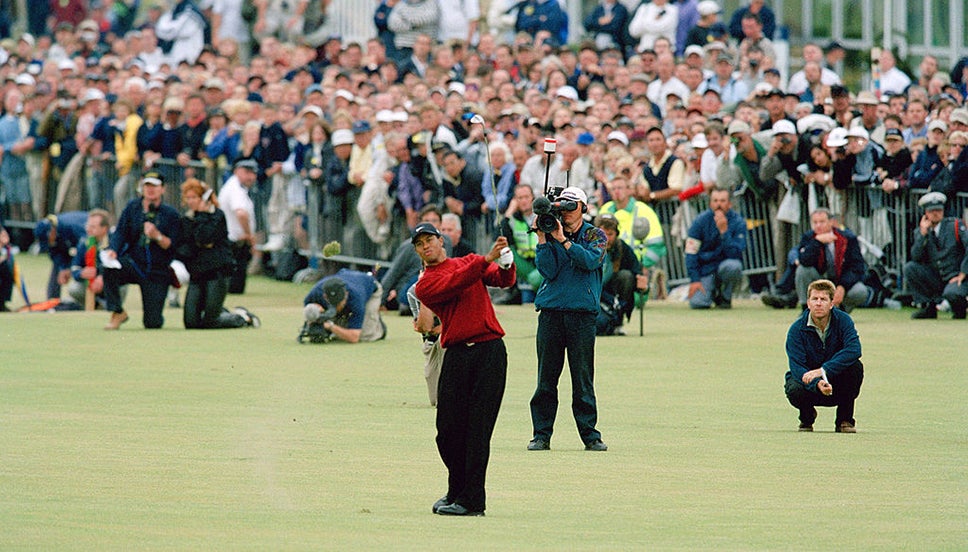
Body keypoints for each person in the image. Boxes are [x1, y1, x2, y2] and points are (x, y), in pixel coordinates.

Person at [412, 222, 516, 516]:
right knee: (447, 431)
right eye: (420, 244)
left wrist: (506, 263)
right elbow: (454, 282)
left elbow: (503, 281)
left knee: (477, 432)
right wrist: (486, 258)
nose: (426, 246)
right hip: (457, 354)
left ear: (441, 241)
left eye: (429, 240)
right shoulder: (425, 284)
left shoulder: (469, 262)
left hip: (489, 351)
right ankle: (457, 489)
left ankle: (473, 501)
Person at [528, 186, 609, 453]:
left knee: (582, 378)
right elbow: (548, 271)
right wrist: (543, 240)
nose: (566, 211)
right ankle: (541, 435)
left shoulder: (595, 234)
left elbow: (590, 261)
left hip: (582, 314)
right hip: (551, 312)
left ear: (583, 208)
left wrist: (563, 240)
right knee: (546, 378)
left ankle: (590, 436)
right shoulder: (551, 231)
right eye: (562, 206)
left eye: (571, 206)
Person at [175, 179, 259, 330]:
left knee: (211, 321)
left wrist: (202, 215)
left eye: (194, 197)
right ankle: (222, 311)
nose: (191, 201)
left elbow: (204, 238)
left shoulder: (217, 216)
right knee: (191, 322)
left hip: (217, 273)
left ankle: (242, 317)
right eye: (188, 198)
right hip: (198, 273)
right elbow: (186, 247)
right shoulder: (187, 219)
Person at [102, 172, 181, 330]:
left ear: (162, 189)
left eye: (155, 186)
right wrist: (113, 250)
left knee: (153, 323)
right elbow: (121, 232)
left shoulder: (171, 214)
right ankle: (117, 311)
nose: (150, 190)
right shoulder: (133, 207)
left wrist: (157, 236)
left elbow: (173, 245)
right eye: (147, 185)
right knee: (110, 269)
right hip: (134, 263)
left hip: (158, 270)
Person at [784, 278, 864, 433]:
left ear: (831, 303)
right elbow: (796, 366)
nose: (818, 303)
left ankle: (845, 420)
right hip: (810, 384)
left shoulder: (844, 320)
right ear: (808, 303)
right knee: (794, 388)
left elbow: (854, 349)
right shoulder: (796, 329)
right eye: (815, 299)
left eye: (823, 299)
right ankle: (807, 417)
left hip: (837, 382)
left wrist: (823, 371)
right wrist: (817, 383)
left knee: (855, 367)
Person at [903, 191, 968, 320]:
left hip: (956, 276)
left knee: (952, 293)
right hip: (937, 276)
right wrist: (923, 235)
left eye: (938, 210)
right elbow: (915, 256)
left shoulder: (955, 225)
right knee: (910, 268)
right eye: (931, 211)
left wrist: (964, 272)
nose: (935, 213)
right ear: (925, 213)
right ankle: (928, 307)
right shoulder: (922, 231)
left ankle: (959, 309)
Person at [793, 208, 868, 313]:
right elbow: (804, 261)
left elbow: (857, 267)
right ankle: (807, 309)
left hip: (840, 280)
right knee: (802, 270)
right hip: (820, 280)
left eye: (822, 222)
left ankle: (839, 312)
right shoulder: (808, 237)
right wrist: (817, 242)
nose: (818, 225)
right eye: (815, 222)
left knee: (860, 291)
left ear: (831, 222)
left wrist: (842, 286)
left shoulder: (848, 238)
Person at [685, 187, 747, 309]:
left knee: (734, 266)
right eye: (715, 201)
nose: (718, 204)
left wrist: (724, 232)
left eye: (722, 201)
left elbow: (736, 253)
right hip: (706, 269)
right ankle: (712, 293)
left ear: (729, 204)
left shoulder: (738, 222)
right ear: (710, 203)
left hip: (725, 266)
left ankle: (725, 297)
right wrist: (695, 279)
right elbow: (691, 253)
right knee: (698, 303)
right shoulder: (699, 222)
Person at [596, 214, 649, 335]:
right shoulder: (585, 247)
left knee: (626, 276)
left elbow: (638, 275)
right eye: (603, 234)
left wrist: (645, 287)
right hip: (589, 294)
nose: (606, 239)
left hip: (611, 297)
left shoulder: (623, 249)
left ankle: (618, 320)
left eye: (610, 234)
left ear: (616, 234)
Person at [303, 268, 387, 343]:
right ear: (325, 296)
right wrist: (315, 317)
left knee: (364, 336)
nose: (337, 307)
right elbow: (309, 309)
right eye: (333, 303)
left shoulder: (356, 299)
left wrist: (330, 326)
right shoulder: (316, 292)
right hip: (348, 278)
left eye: (339, 303)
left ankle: (380, 328)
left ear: (346, 295)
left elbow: (354, 337)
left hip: (371, 287)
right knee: (340, 332)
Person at [218, 158, 258, 294]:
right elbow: (241, 213)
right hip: (235, 241)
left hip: (234, 240)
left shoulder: (237, 187)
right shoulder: (235, 189)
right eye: (247, 172)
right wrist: (249, 235)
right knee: (234, 287)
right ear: (236, 171)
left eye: (253, 173)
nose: (251, 177)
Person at [498, 184, 542, 304]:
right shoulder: (512, 220)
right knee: (500, 248)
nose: (523, 201)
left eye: (526, 197)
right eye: (520, 198)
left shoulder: (542, 216)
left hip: (542, 263)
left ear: (533, 198)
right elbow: (500, 237)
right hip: (524, 265)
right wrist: (508, 213)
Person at [33, 211, 87, 300]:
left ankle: (89, 299)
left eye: (48, 240)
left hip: (88, 250)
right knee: (57, 268)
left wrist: (72, 267)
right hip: (73, 249)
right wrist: (63, 268)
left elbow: (84, 248)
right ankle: (52, 301)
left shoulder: (71, 226)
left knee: (79, 278)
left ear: (51, 231)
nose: (49, 243)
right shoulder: (54, 232)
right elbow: (55, 253)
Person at [67, 209, 113, 308]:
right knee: (73, 289)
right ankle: (96, 305)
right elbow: (74, 267)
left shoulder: (114, 242)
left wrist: (103, 276)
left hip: (109, 282)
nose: (88, 229)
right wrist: (81, 273)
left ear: (104, 228)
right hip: (90, 283)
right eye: (88, 226)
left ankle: (111, 304)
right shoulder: (84, 242)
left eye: (93, 227)